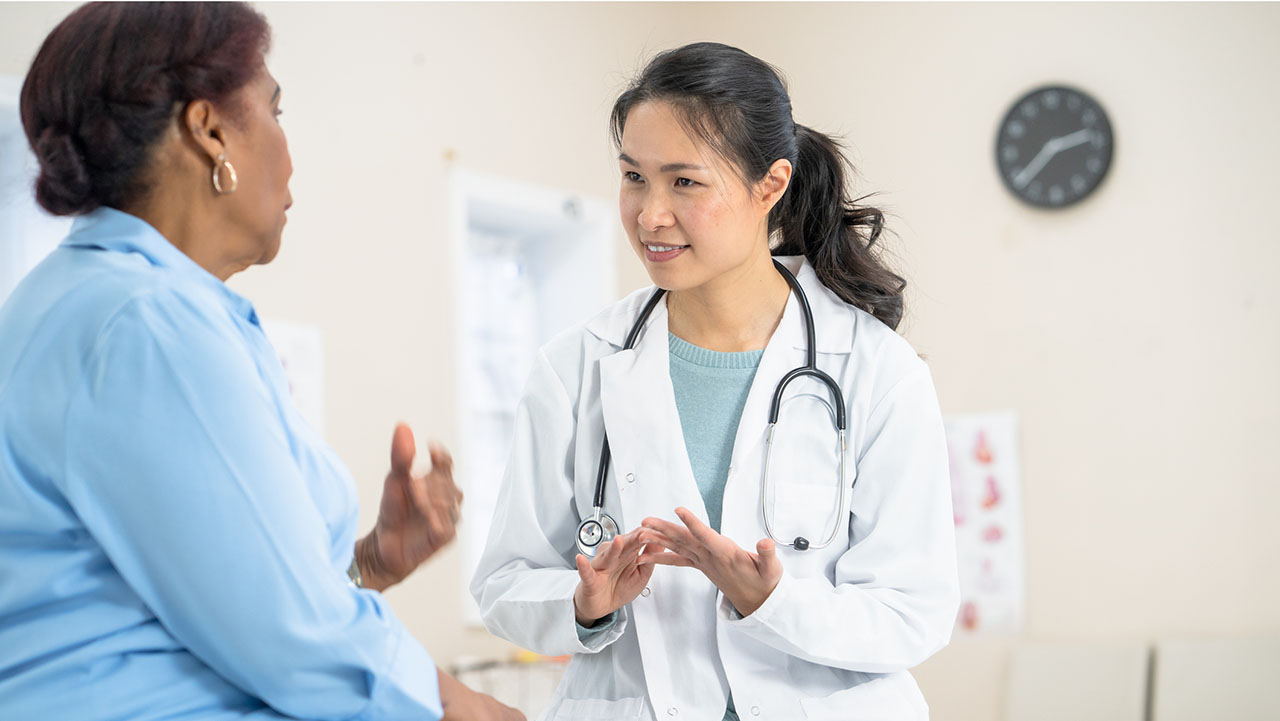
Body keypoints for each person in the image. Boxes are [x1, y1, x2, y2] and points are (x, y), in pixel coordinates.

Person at [0, 3, 521, 720]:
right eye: (276, 110)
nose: (290, 151)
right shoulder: (145, 322)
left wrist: (370, 560)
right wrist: (476, 709)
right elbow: (298, 641)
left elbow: (207, 601)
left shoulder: (96, 302)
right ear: (210, 130)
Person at [471, 42, 960, 720]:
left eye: (685, 182)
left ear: (771, 185)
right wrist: (583, 604)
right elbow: (503, 583)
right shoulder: (574, 366)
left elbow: (915, 611)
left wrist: (772, 601)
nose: (649, 215)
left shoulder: (876, 371)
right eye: (634, 177)